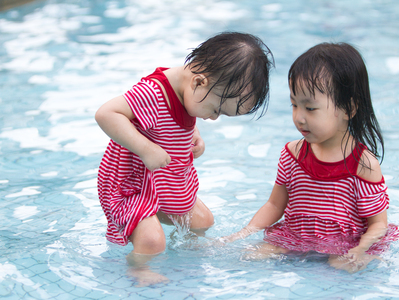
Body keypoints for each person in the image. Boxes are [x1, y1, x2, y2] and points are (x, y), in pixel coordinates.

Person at [95, 32, 273, 284]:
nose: (213, 117)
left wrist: (193, 135)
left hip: (163, 180)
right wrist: (145, 148)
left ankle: (156, 219)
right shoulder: (153, 93)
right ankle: (139, 270)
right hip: (131, 183)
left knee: (202, 222)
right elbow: (106, 113)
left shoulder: (188, 92)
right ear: (199, 82)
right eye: (216, 110)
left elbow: (176, 119)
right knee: (153, 241)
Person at [222, 42, 399, 273]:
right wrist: (243, 233)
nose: (298, 117)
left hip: (343, 245)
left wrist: (361, 250)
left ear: (348, 109)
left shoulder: (362, 164)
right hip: (296, 237)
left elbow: (378, 224)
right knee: (250, 256)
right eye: (294, 104)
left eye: (310, 108)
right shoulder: (292, 153)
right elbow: (275, 204)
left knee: (338, 267)